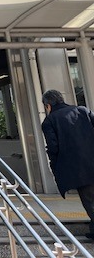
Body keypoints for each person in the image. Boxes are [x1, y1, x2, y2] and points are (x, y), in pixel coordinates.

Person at [41, 89, 94, 241]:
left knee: (90, 200)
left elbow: (53, 148)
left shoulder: (49, 121)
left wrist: (55, 169)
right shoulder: (83, 111)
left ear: (48, 106)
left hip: (78, 169)